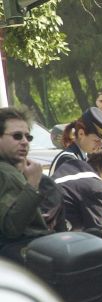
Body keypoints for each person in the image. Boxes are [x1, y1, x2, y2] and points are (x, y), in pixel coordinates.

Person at [0, 107, 51, 264]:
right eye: (17, 136)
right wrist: (33, 183)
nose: (24, 142)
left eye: (28, 137)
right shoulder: (5, 173)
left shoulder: (10, 169)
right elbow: (12, 227)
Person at [52, 141, 102, 237]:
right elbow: (97, 234)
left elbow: (81, 200)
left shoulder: (73, 164)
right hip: (55, 240)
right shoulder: (98, 188)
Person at [49, 107, 102, 175]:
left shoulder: (82, 157)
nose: (100, 145)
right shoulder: (69, 160)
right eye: (96, 141)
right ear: (81, 134)